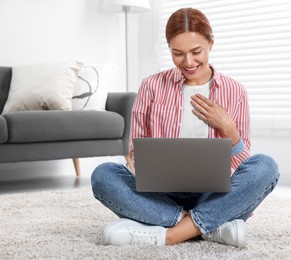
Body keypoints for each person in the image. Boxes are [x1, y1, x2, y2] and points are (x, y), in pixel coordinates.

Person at [91, 7, 279, 248]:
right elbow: (137, 151)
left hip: (214, 195)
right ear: (168, 48)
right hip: (161, 195)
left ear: (211, 43)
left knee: (266, 167)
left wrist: (229, 130)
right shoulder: (151, 86)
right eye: (177, 53)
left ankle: (170, 234)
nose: (188, 62)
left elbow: (244, 165)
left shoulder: (235, 91)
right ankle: (209, 226)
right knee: (103, 175)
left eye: (196, 52)